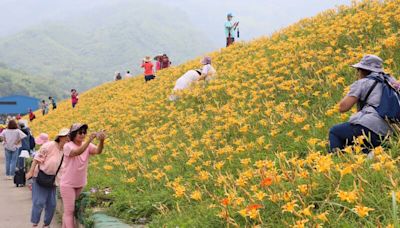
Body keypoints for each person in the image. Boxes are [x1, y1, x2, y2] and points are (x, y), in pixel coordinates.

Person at [329, 55, 397, 153]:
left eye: (358, 70)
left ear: (362, 70)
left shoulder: (364, 82)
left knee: (335, 131)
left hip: (370, 126)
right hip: (391, 132)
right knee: (357, 143)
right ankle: (368, 155)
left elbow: (343, 107)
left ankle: (336, 159)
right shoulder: (392, 82)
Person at [60, 123, 106, 228]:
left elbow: (98, 151)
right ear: (73, 134)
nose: (82, 135)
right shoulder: (67, 146)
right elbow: (77, 152)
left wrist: (102, 141)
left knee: (69, 210)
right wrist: (89, 140)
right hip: (67, 184)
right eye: (79, 132)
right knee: (69, 211)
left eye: (84, 132)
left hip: (80, 183)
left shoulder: (87, 145)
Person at [26, 128, 70, 228]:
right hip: (40, 177)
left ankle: (46, 224)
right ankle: (35, 223)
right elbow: (37, 159)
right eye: (66, 136)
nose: (68, 139)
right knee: (39, 202)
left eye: (69, 137)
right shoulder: (49, 145)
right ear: (60, 137)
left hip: (53, 181)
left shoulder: (66, 150)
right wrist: (31, 171)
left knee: (52, 204)